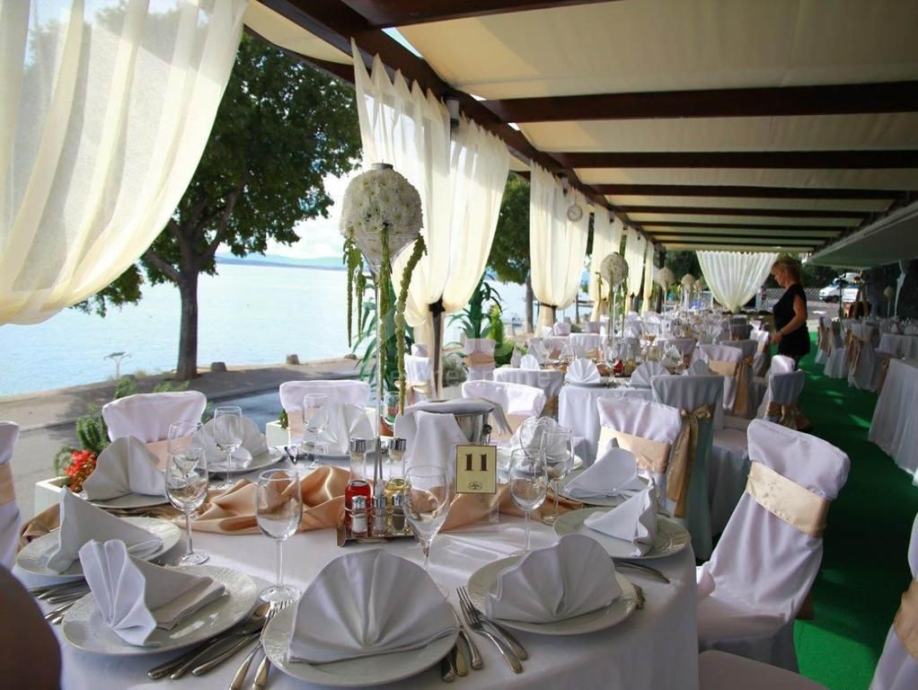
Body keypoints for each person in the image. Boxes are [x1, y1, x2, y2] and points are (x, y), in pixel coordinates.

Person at [770, 257, 810, 366]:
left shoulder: (795, 290)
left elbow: (801, 316)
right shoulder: (792, 290)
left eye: (776, 274)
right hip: (789, 342)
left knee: (784, 373)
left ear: (785, 272)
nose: (775, 278)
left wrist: (781, 332)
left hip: (793, 343)